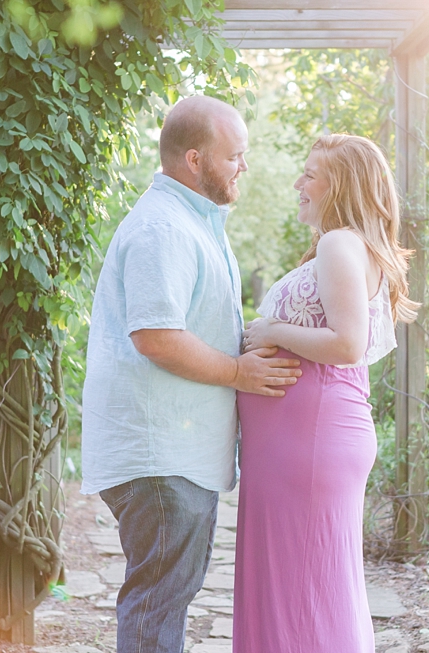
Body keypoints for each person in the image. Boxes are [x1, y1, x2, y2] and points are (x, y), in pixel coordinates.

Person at [80, 95, 302, 653]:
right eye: (235, 155)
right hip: (161, 457)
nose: (244, 166)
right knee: (156, 608)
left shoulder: (192, 220)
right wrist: (238, 372)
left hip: (175, 457)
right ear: (196, 159)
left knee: (164, 603)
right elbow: (156, 336)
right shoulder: (165, 228)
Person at [232, 134, 419, 652]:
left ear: (340, 186)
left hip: (308, 440)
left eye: (309, 174)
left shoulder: (341, 243)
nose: (299, 183)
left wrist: (270, 331)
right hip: (302, 441)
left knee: (307, 593)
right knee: (310, 588)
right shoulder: (348, 244)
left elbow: (347, 342)